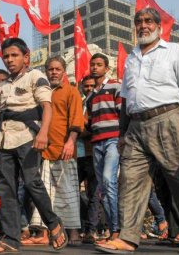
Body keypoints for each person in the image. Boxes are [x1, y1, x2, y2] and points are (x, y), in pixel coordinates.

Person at [96, 7, 179, 254]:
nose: (143, 25)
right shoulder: (132, 58)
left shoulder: (173, 51)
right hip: (135, 126)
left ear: (159, 26)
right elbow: (125, 99)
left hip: (168, 120)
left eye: (148, 21)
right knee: (130, 181)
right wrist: (122, 134)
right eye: (139, 22)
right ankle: (127, 238)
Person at [0, 37, 67, 254]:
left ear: (26, 57)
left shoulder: (36, 76)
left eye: (14, 55)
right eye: (6, 56)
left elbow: (47, 107)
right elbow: (1, 116)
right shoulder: (2, 86)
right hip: (4, 141)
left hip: (27, 138)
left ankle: (53, 223)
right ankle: (11, 238)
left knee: (32, 183)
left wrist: (43, 132)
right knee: (6, 189)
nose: (10, 60)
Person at [28, 55, 83, 246]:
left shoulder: (71, 91)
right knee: (44, 194)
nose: (54, 72)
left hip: (64, 149)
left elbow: (77, 120)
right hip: (43, 151)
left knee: (68, 193)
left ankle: (73, 232)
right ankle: (44, 234)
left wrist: (71, 142)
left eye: (57, 69)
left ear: (64, 71)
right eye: (50, 69)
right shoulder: (41, 93)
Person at [86, 53, 122, 243]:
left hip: (113, 140)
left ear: (106, 68)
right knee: (103, 188)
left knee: (109, 181)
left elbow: (122, 113)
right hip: (96, 142)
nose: (95, 68)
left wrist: (123, 138)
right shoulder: (90, 95)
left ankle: (116, 229)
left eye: (99, 65)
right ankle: (112, 229)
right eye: (92, 65)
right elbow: (90, 121)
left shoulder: (116, 86)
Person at [77, 75, 101, 242]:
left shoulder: (98, 104)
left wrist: (81, 128)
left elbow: (93, 127)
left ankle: (91, 230)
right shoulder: (79, 103)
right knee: (72, 192)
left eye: (92, 86)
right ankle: (78, 227)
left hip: (93, 153)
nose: (89, 89)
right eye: (86, 86)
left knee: (94, 193)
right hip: (76, 155)